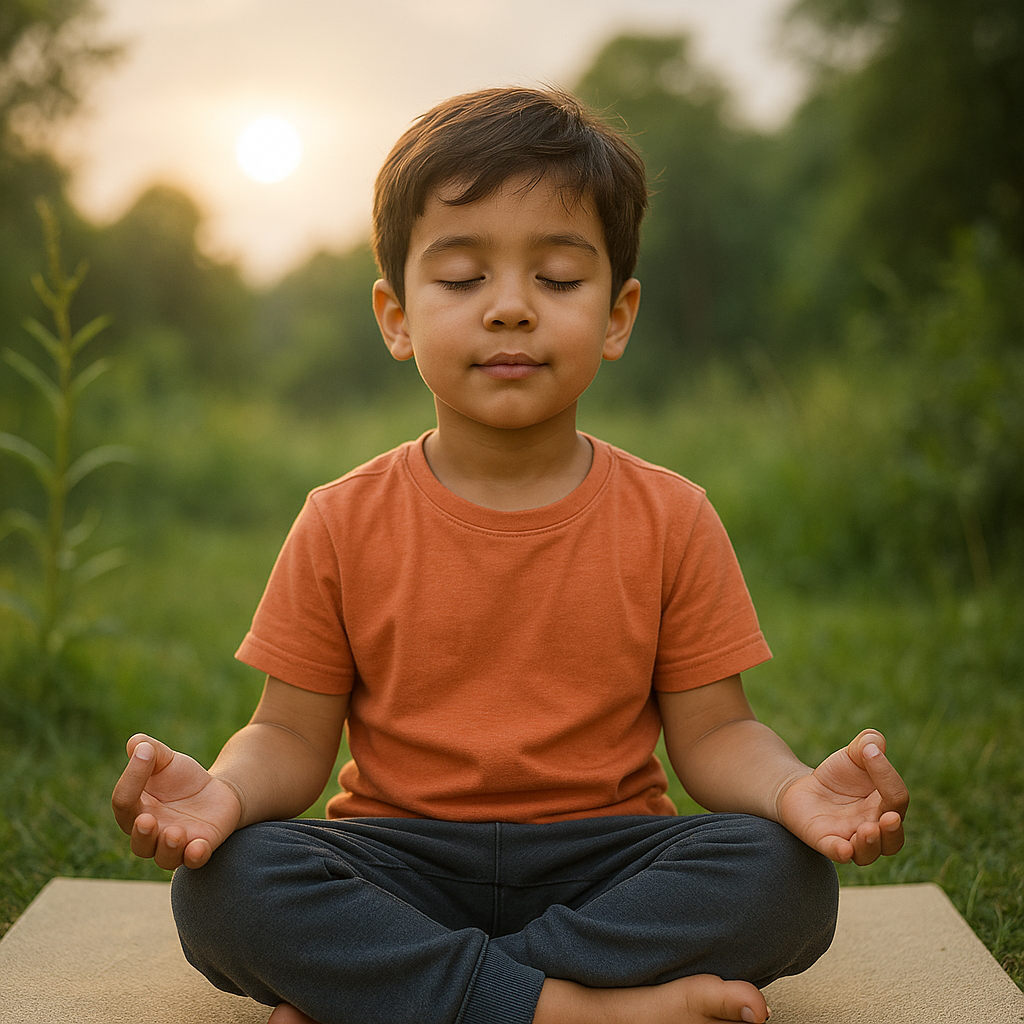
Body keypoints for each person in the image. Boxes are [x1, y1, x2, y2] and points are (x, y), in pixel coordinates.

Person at [112, 87, 909, 1024]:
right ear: (396, 315)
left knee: (783, 874)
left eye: (559, 281)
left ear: (617, 316)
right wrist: (224, 795)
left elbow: (715, 734)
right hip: (403, 859)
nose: (510, 310)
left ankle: (412, 994)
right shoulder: (339, 518)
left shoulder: (673, 516)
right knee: (232, 886)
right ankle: (577, 1012)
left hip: (608, 863)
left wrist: (793, 790)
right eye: (461, 280)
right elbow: (289, 738)